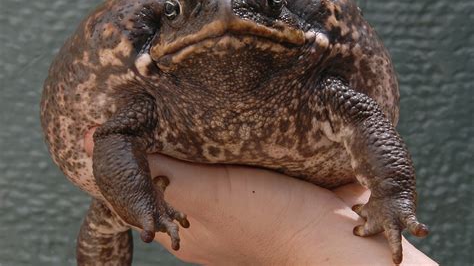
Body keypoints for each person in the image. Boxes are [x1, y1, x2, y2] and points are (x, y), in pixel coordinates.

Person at [84, 130, 436, 265]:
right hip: (158, 172)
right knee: (102, 224)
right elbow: (112, 139)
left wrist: (294, 236)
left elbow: (366, 120)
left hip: (321, 175)